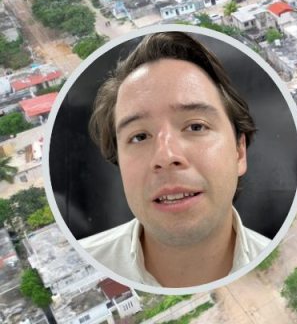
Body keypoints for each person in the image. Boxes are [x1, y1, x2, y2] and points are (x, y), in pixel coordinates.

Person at [81, 31, 270, 288]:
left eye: (195, 127)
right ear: (119, 164)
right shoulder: (87, 263)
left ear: (239, 151)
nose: (166, 156)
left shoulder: (272, 259)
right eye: (139, 136)